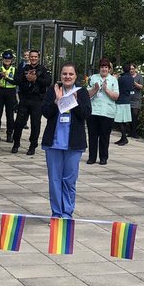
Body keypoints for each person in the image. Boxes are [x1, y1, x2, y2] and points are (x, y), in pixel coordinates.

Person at [41, 63, 91, 217]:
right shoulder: (53, 90)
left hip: (73, 145)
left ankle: (67, 213)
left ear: (76, 76)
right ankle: (56, 214)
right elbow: (45, 112)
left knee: (69, 181)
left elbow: (86, 114)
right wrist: (57, 101)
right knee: (55, 181)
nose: (67, 77)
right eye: (64, 74)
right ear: (60, 75)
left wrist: (74, 103)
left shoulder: (81, 92)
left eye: (71, 74)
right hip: (54, 143)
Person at [11, 50, 52, 156]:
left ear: (38, 57)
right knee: (19, 123)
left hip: (37, 100)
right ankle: (16, 143)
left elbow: (48, 82)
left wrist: (36, 78)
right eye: (31, 56)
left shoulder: (43, 69)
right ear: (29, 57)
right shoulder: (24, 68)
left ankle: (32, 146)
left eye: (35, 56)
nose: (33, 58)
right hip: (25, 98)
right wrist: (26, 77)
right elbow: (17, 80)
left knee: (35, 124)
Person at [86, 57, 119, 165]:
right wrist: (95, 89)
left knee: (105, 136)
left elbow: (116, 96)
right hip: (94, 111)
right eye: (102, 67)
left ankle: (103, 157)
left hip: (107, 112)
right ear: (99, 68)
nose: (104, 69)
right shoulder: (93, 78)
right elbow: (87, 95)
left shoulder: (113, 80)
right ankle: (92, 157)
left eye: (106, 67)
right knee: (92, 135)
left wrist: (106, 89)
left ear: (109, 69)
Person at [0, 51, 19, 142]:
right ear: (2, 59)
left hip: (10, 92)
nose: (7, 60)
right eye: (5, 58)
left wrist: (6, 78)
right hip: (0, 91)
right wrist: (1, 76)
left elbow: (16, 82)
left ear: (12, 60)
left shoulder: (14, 69)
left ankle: (9, 134)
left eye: (9, 59)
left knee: (10, 115)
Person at [114, 62, 136, 145]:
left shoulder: (121, 78)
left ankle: (124, 137)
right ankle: (123, 137)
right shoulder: (131, 78)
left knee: (119, 120)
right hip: (127, 101)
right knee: (123, 121)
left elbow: (117, 87)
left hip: (120, 101)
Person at [129, 64, 144, 137]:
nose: (131, 70)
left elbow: (141, 86)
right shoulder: (128, 76)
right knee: (129, 116)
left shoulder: (139, 76)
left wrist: (134, 83)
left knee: (135, 115)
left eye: (133, 69)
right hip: (129, 98)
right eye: (130, 69)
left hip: (136, 99)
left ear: (135, 69)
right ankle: (130, 131)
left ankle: (134, 132)